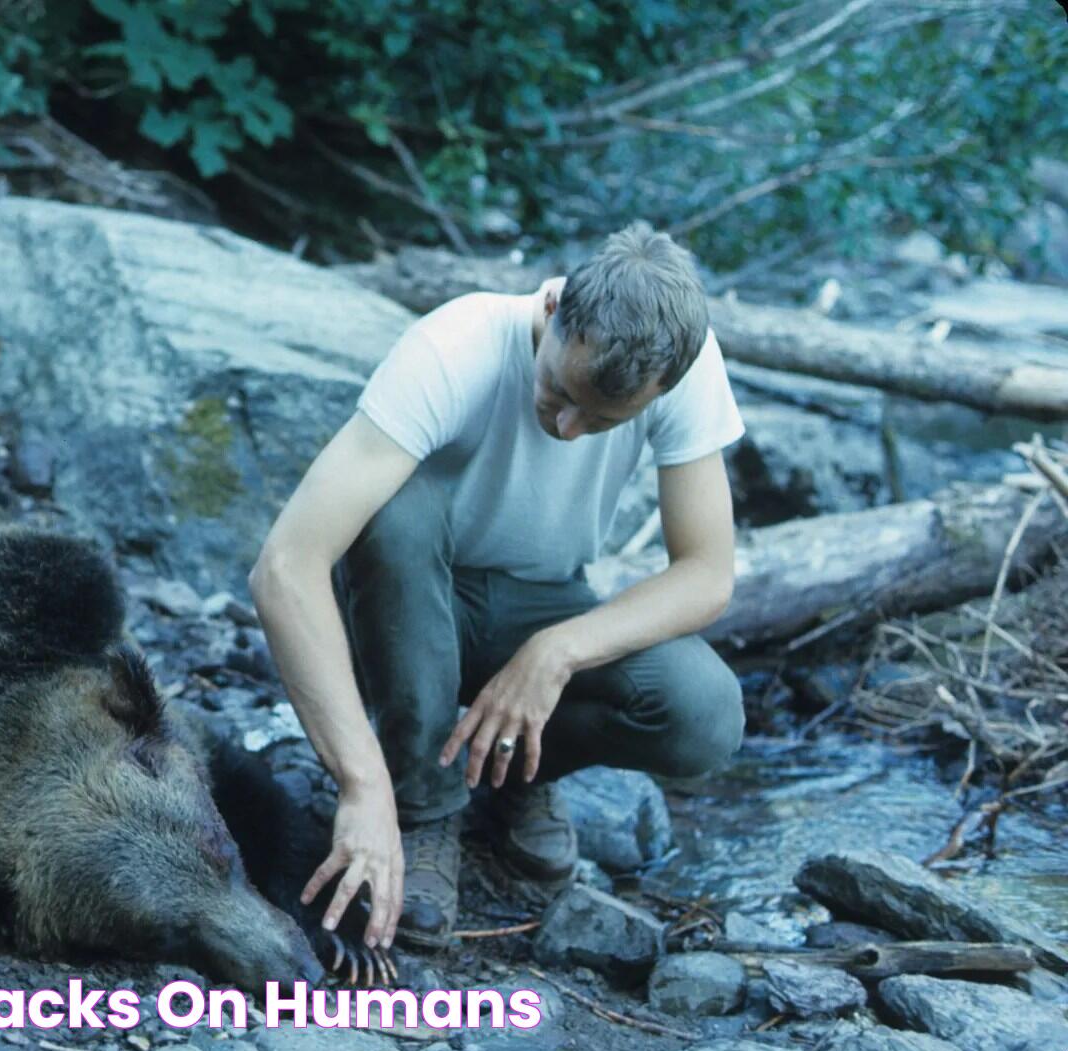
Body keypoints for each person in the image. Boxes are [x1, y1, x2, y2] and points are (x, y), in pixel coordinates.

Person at [247, 222, 748, 955]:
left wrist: (557, 650)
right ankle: (421, 804)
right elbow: (286, 567)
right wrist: (363, 787)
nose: (570, 428)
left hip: (542, 599)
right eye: (558, 392)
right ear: (551, 309)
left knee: (703, 710)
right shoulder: (455, 346)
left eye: (606, 421)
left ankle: (514, 768)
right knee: (393, 510)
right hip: (406, 605)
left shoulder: (686, 368)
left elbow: (707, 573)